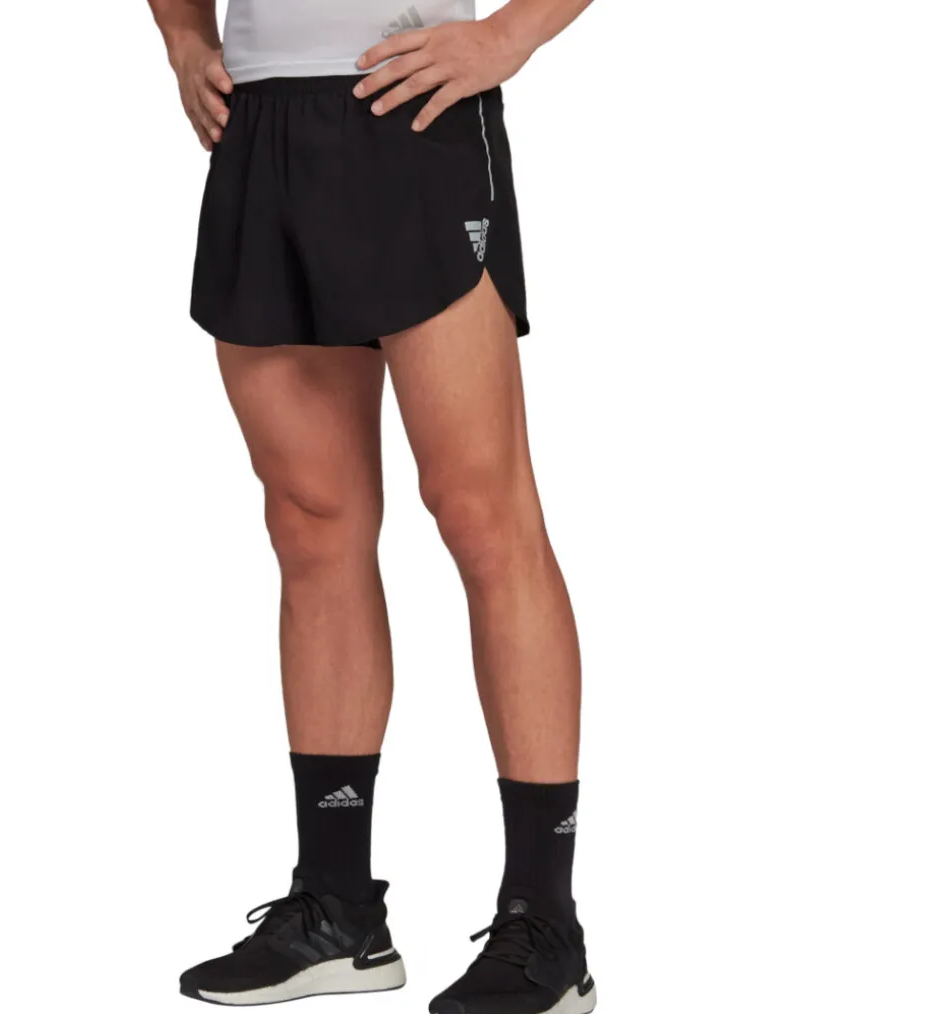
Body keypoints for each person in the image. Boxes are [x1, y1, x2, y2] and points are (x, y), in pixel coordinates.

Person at [146, 2, 597, 1011]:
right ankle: (337, 911)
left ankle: (545, 925)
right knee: (311, 523)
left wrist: (510, 36)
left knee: (482, 517)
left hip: (412, 110)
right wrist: (183, 39)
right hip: (260, 125)